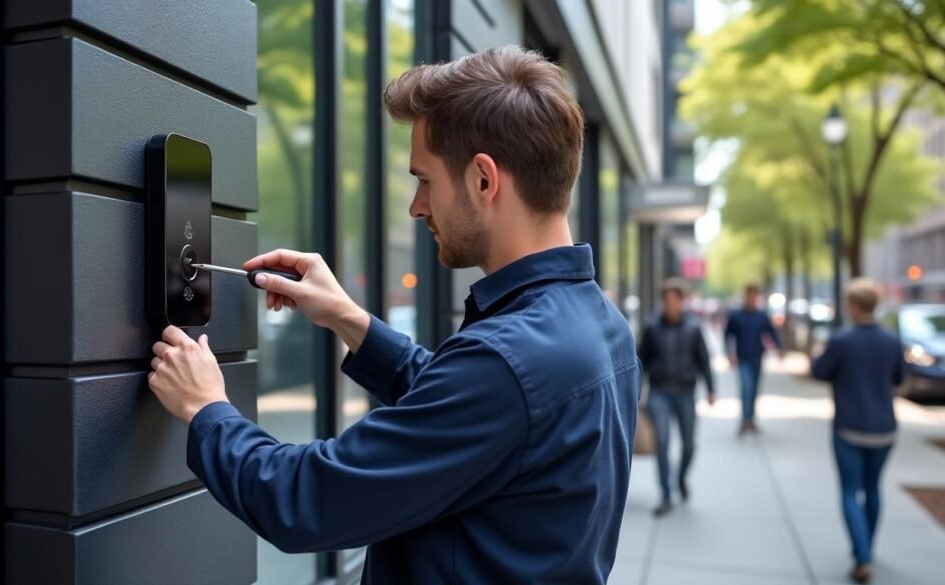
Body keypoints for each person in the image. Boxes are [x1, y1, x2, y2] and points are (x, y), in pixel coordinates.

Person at [146, 46, 640, 584]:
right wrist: (349, 320)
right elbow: (469, 415)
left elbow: (305, 500)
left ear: (483, 180)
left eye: (425, 180)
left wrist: (206, 408)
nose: (416, 206)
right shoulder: (601, 327)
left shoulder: (507, 362)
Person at [812, 279, 903, 584]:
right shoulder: (891, 340)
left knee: (850, 490)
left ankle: (862, 556)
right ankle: (866, 548)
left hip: (849, 427)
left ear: (852, 305)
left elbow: (819, 371)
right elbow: (899, 378)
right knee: (873, 488)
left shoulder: (842, 340)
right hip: (884, 427)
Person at [638, 279, 715, 517]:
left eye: (674, 301)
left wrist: (711, 389)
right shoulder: (652, 327)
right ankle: (665, 494)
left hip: (685, 393)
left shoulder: (693, 328)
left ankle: (680, 477)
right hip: (659, 393)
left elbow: (704, 361)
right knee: (662, 442)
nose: (670, 305)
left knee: (689, 444)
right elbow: (641, 361)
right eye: (667, 301)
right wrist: (636, 390)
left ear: (682, 302)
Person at [724, 283, 783, 434]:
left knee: (755, 389)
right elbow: (728, 335)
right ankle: (745, 419)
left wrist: (779, 347)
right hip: (742, 358)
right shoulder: (736, 316)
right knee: (746, 387)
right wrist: (729, 354)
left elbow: (771, 332)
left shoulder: (761, 316)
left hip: (757, 357)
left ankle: (751, 419)